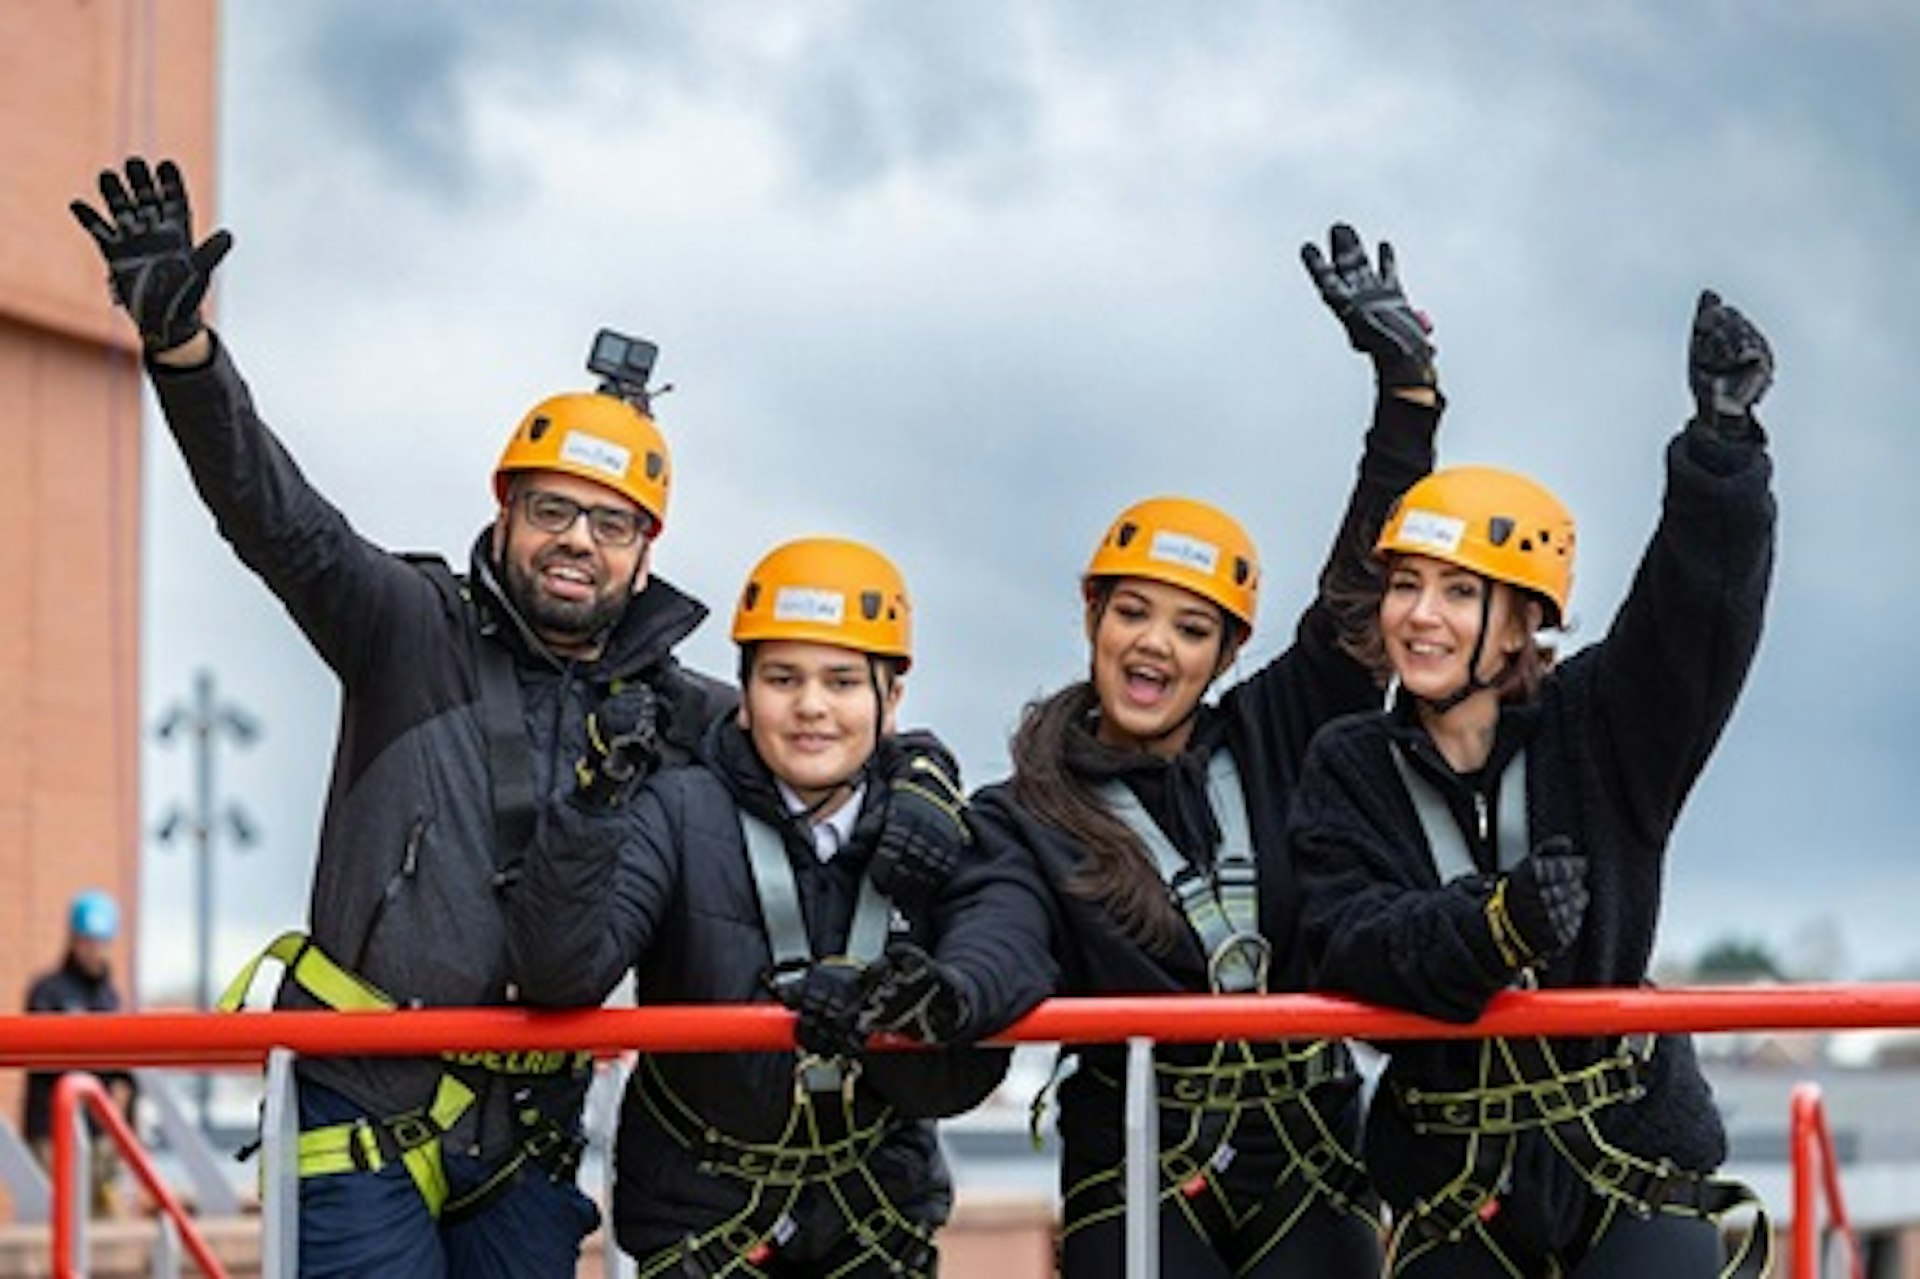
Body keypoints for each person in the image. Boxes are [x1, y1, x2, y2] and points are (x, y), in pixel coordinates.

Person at [70, 156, 733, 1277]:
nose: (579, 539)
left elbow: (814, 739)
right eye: (554, 509)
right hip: (359, 1118)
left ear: (645, 552)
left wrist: (913, 773)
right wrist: (185, 357)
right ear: (505, 509)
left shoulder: (674, 708)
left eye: (612, 525)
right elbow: (275, 517)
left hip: (527, 1146)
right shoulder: (405, 625)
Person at [962, 224, 1443, 1276]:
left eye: (1190, 628)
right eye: (1132, 612)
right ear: (1092, 617)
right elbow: (1001, 938)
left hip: (1303, 1150)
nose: (1152, 645)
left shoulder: (1278, 731)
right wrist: (952, 987)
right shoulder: (1022, 811)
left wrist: (1405, 397)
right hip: (1136, 1151)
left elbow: (1361, 588)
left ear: (1225, 653)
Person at [1287, 291, 1778, 1277]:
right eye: (1405, 585)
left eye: (1458, 592)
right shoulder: (1351, 763)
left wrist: (1721, 452)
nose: (1419, 616)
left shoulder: (1603, 727)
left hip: (1626, 1154)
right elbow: (1344, 941)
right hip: (1455, 1176)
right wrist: (1490, 928)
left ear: (1522, 624)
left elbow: (1694, 623)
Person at [506, 535, 1056, 1278]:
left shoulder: (935, 827)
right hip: (705, 1220)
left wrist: (921, 1005)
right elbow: (559, 972)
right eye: (782, 678)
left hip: (873, 1220)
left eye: (841, 681)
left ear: (889, 700)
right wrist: (593, 807)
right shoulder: (675, 811)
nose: (811, 707)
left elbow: (1002, 954)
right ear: (743, 696)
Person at [22, 890, 137, 1217]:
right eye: (86, 940)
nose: (93, 950)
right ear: (73, 939)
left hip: (98, 1130)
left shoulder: (109, 997)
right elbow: (41, 1055)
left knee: (108, 1224)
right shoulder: (48, 992)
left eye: (100, 941)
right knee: (57, 1221)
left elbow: (121, 1064)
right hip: (52, 1131)